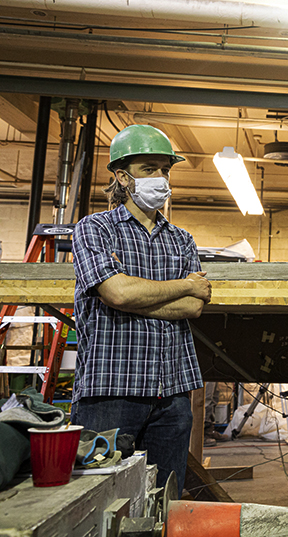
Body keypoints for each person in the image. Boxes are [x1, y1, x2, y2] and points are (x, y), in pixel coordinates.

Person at [71, 124, 211, 495]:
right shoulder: (94, 230)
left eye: (165, 169)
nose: (160, 178)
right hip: (111, 390)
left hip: (173, 391)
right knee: (99, 501)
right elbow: (116, 293)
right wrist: (183, 285)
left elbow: (193, 307)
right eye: (149, 169)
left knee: (166, 503)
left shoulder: (181, 239)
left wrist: (137, 296)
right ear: (122, 177)